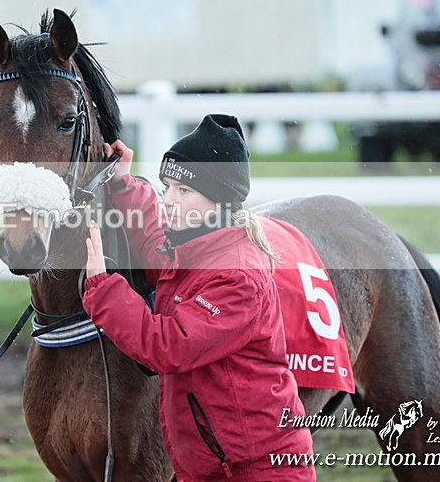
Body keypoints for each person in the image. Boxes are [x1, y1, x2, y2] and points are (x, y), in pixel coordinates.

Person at [83, 114, 316, 481]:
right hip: (214, 464)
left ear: (220, 201)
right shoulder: (194, 244)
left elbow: (168, 347)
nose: (169, 201)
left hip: (254, 470)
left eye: (184, 190)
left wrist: (102, 288)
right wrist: (125, 183)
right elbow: (152, 240)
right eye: (167, 186)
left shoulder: (237, 276)